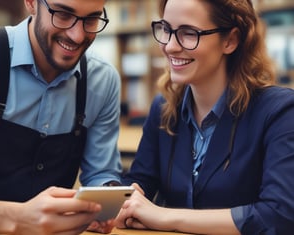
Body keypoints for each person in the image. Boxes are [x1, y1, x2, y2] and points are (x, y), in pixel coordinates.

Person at [0, 0, 122, 234]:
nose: (77, 36)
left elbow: (101, 174)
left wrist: (110, 199)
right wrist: (19, 219)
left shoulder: (103, 81)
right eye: (63, 14)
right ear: (31, 3)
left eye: (91, 19)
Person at [115, 0, 294, 234]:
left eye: (189, 33)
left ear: (230, 40)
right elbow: (139, 185)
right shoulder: (164, 109)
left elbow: (278, 216)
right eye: (166, 30)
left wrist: (164, 215)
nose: (170, 46)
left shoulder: (279, 111)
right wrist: (115, 205)